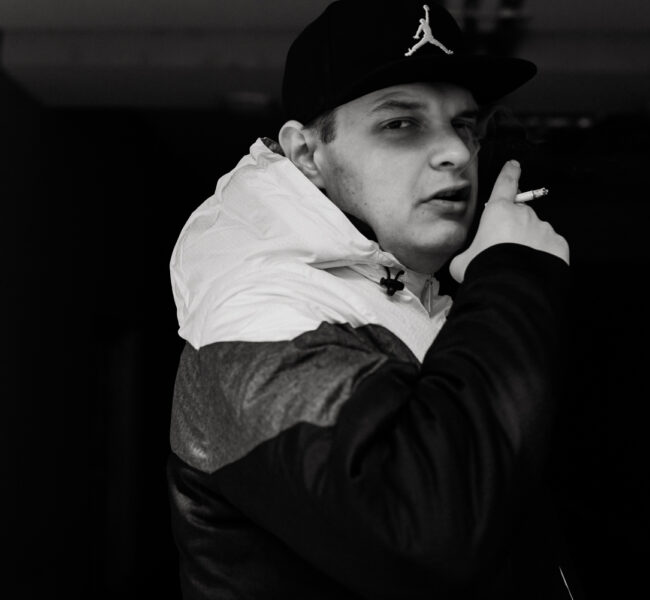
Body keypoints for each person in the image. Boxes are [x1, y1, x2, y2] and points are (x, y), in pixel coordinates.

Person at [166, 1, 575, 598]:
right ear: (308, 154)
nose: (456, 153)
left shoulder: (392, 291)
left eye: (464, 124)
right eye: (401, 124)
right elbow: (427, 529)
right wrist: (510, 278)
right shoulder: (262, 310)